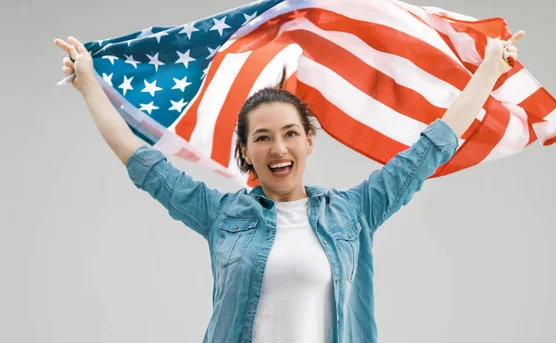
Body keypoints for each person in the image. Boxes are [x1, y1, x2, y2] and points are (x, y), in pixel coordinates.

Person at [54, 30, 524, 343]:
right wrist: (89, 85)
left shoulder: (354, 212)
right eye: (262, 137)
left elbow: (432, 148)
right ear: (248, 150)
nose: (278, 148)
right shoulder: (222, 215)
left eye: (289, 133)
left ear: (308, 141)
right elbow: (140, 161)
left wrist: (487, 71)